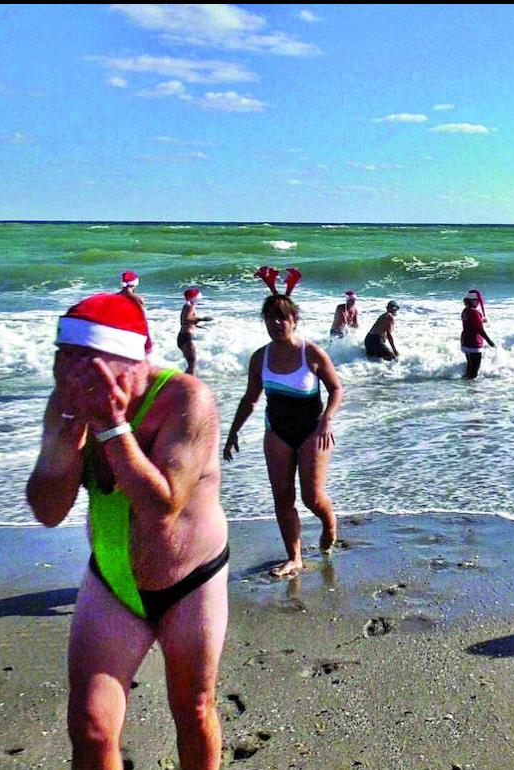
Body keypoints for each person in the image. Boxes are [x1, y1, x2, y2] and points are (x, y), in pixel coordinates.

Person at [25, 291, 228, 770]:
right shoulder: (69, 403)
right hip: (114, 576)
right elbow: (48, 510)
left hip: (191, 579)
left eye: (93, 367)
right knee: (91, 727)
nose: (80, 379)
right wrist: (74, 424)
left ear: (137, 358)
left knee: (193, 709)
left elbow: (161, 505)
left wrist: (113, 425)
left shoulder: (186, 400)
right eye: (67, 363)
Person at [225, 266, 344, 578]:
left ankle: (329, 523)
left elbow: (336, 389)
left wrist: (327, 420)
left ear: (294, 321)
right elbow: (251, 398)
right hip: (276, 431)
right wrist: (233, 432)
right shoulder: (259, 358)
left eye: (282, 318)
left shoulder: (311, 353)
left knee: (312, 498)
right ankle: (294, 557)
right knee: (282, 498)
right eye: (271, 318)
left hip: (312, 430)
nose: (276, 324)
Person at [177, 287, 212, 377]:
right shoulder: (190, 306)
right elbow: (186, 320)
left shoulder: (187, 306)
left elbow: (184, 321)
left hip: (183, 336)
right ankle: (189, 383)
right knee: (193, 363)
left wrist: (198, 326)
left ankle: (185, 381)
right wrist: (202, 319)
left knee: (191, 363)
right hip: (186, 336)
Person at [461, 289, 496, 379]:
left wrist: (481, 320)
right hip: (474, 343)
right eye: (477, 301)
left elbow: (471, 323)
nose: (478, 303)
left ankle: (465, 385)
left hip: (465, 341)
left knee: (469, 366)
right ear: (471, 301)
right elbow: (479, 329)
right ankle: (472, 390)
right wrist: (489, 341)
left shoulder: (465, 311)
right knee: (475, 369)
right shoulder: (475, 312)